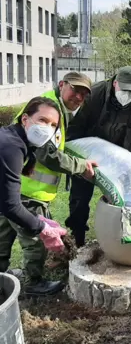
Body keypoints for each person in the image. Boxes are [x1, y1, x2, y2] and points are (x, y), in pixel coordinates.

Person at [5, 72, 97, 294]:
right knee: (35, 241)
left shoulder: (53, 108)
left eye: (84, 95)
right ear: (62, 84)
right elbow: (49, 155)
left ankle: (1, 277)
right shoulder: (50, 110)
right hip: (29, 193)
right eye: (75, 90)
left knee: (3, 235)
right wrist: (81, 166)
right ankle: (33, 283)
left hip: (12, 187)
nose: (78, 97)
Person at [65, 66, 131, 247]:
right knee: (79, 198)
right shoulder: (95, 95)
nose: (127, 94)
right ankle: (78, 237)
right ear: (115, 82)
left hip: (117, 160)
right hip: (88, 154)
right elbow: (76, 126)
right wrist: (78, 160)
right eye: (124, 89)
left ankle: (126, 239)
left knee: (129, 197)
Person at [0, 97, 69, 296]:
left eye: (53, 125)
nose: (47, 128)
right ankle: (33, 283)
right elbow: (11, 206)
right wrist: (42, 227)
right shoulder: (11, 147)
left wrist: (38, 220)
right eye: (42, 120)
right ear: (25, 119)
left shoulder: (17, 139)